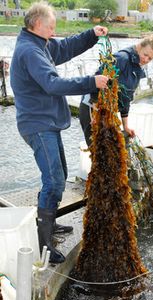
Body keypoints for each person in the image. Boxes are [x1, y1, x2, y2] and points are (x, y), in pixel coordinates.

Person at [10, 1, 109, 264]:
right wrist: (91, 82)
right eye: (51, 25)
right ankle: (43, 245)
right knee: (53, 180)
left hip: (47, 122)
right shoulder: (30, 51)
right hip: (38, 124)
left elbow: (65, 47)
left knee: (59, 176)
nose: (55, 30)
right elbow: (52, 84)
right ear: (37, 24)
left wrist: (91, 35)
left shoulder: (41, 44)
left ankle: (48, 225)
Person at [79, 34, 153, 147]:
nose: (146, 60)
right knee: (97, 151)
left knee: (110, 150)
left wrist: (125, 126)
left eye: (150, 58)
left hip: (107, 111)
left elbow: (125, 99)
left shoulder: (137, 68)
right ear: (139, 47)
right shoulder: (122, 58)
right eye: (145, 54)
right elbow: (98, 78)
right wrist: (95, 113)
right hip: (91, 106)